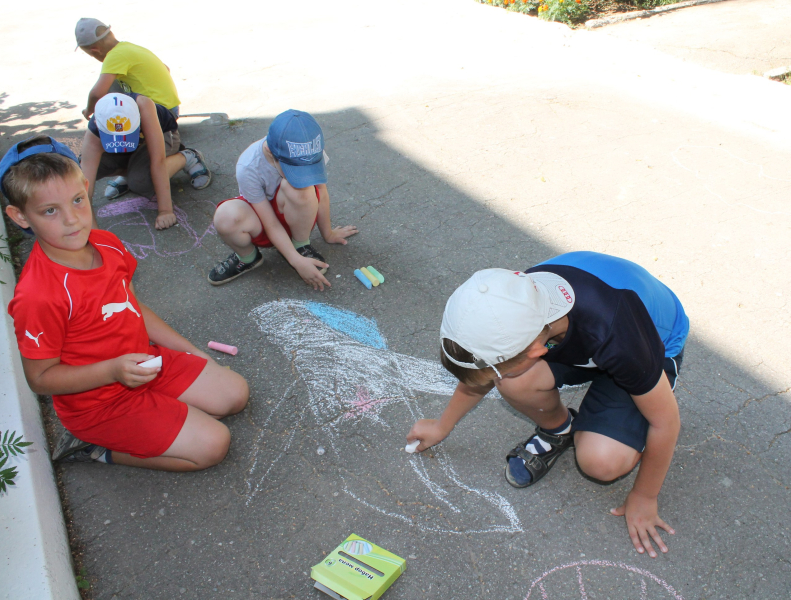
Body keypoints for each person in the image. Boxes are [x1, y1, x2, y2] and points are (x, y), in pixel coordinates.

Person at [407, 252, 689, 558]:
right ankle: (560, 429)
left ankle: (609, 416)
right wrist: (441, 425)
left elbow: (666, 422)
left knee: (601, 462)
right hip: (588, 338)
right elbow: (485, 371)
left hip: (648, 341)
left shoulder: (619, 336)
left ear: (536, 351)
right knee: (512, 380)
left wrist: (645, 495)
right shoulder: (514, 304)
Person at [0, 136, 248, 471]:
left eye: (76, 200)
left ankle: (160, 413)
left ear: (86, 188)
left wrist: (191, 351)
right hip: (98, 403)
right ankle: (96, 447)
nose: (72, 220)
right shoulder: (38, 294)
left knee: (235, 394)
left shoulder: (107, 244)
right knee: (214, 445)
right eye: (50, 211)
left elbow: (132, 306)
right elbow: (40, 378)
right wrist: (111, 371)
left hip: (142, 365)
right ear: (20, 216)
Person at [208, 109, 357, 289]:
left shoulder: (309, 148)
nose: (303, 174)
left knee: (299, 188)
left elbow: (321, 191)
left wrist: (328, 233)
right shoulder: (248, 166)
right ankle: (248, 258)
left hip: (296, 213)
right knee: (225, 216)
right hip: (263, 220)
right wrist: (296, 262)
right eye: (295, 169)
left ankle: (300, 244)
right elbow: (269, 222)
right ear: (269, 152)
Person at [79, 92, 210, 229]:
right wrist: (93, 232)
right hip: (134, 146)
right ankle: (131, 171)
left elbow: (157, 161)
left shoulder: (144, 106)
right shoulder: (96, 125)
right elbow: (84, 183)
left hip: (163, 136)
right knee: (82, 168)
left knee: (141, 182)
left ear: (138, 118)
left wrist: (165, 211)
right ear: (96, 123)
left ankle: (188, 157)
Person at [75, 18, 181, 118]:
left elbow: (96, 94)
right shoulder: (129, 47)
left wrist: (89, 111)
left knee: (107, 95)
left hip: (159, 113)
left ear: (95, 50)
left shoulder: (114, 56)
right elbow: (166, 68)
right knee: (113, 82)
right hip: (171, 108)